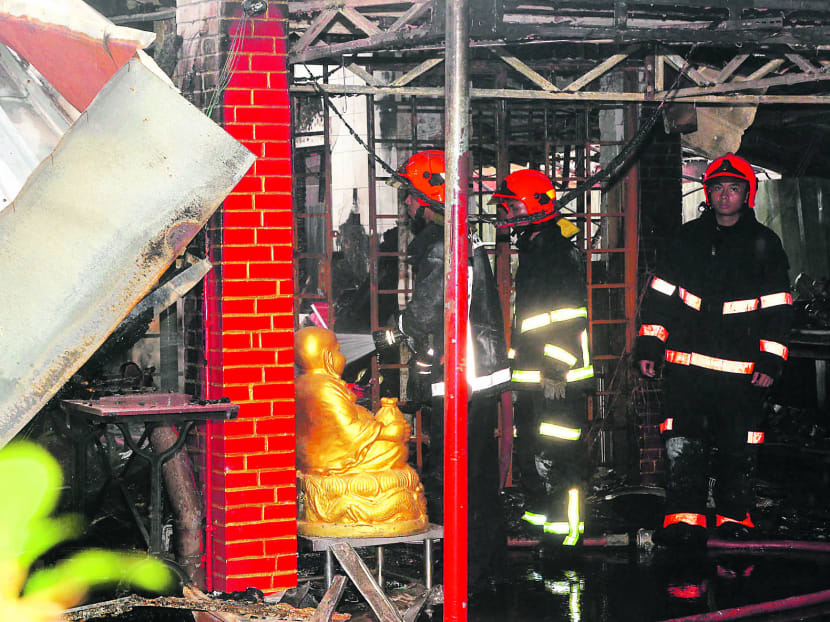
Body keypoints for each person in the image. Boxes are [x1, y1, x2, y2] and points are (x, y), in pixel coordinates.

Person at [635, 152, 793, 548]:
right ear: (708, 192)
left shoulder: (765, 244)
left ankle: (734, 518)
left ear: (748, 194)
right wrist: (650, 345)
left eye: (734, 188)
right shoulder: (686, 240)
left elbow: (777, 309)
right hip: (687, 370)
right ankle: (684, 520)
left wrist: (772, 360)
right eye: (718, 188)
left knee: (738, 447)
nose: (725, 196)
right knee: (682, 442)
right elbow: (661, 297)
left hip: (742, 375)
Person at [373, 149, 511, 594]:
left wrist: (397, 330)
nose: (407, 207)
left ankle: (457, 575)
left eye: (411, 198)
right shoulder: (457, 237)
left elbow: (431, 309)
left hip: (459, 383)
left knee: (448, 476)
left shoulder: (440, 244)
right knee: (478, 476)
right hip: (476, 380)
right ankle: (486, 566)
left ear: (427, 196)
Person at [491, 168, 594, 547]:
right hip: (536, 375)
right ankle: (538, 519)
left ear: (534, 207)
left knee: (561, 456)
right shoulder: (535, 247)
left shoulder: (556, 252)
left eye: (510, 207)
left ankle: (566, 535)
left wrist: (555, 366)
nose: (504, 215)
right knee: (536, 450)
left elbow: (570, 315)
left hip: (558, 378)